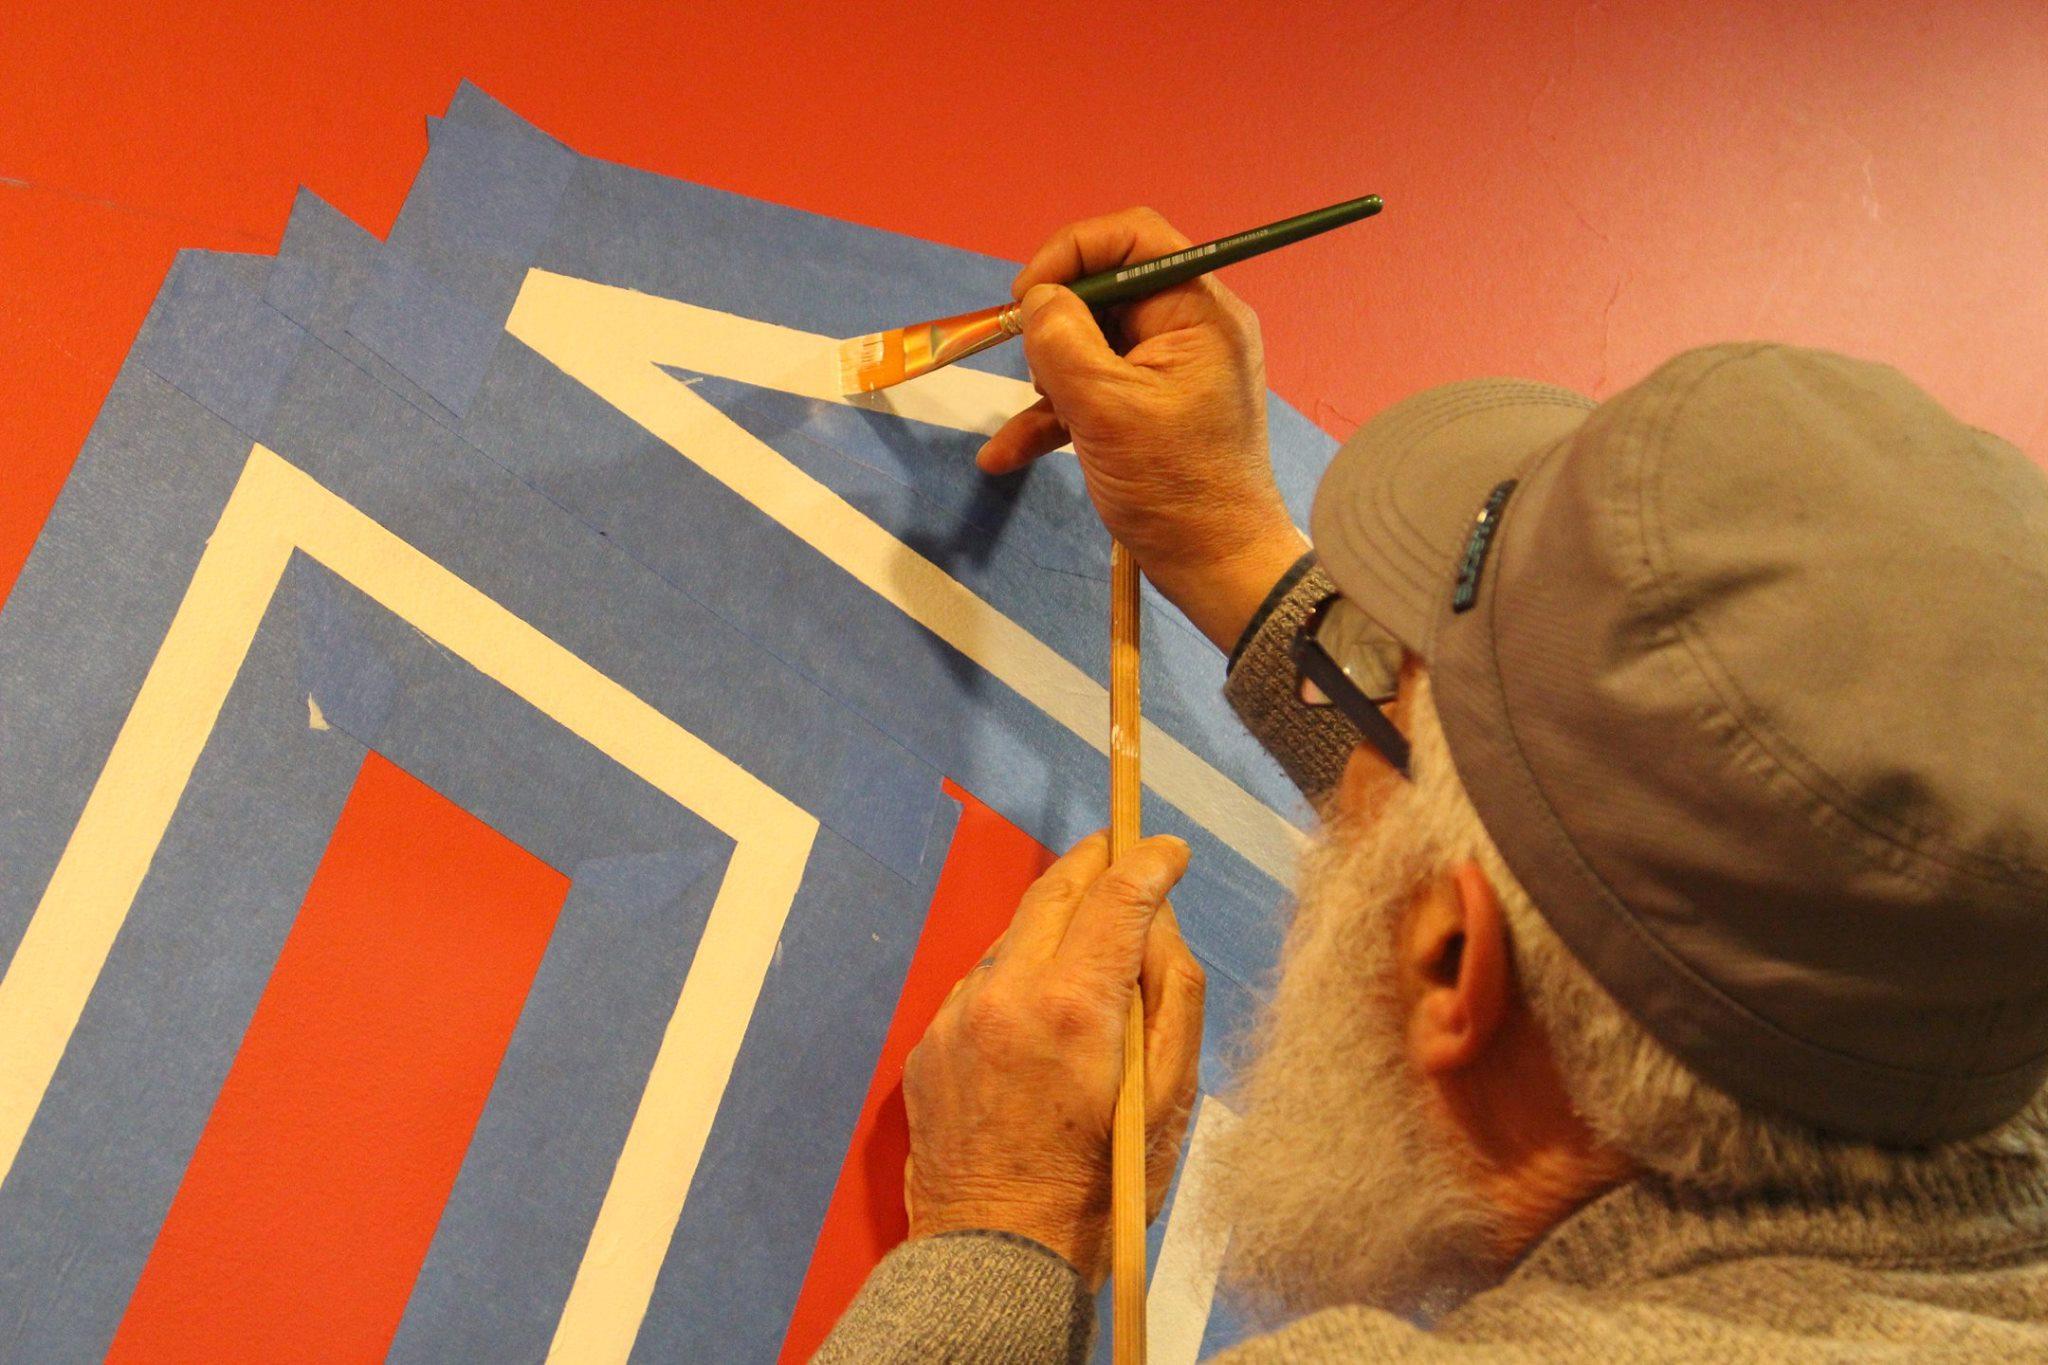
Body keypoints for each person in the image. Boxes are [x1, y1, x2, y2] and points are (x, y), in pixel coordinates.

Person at [817, 209, 2048, 1361]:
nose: (1377, 726)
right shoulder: (1972, 961)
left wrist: (999, 1232)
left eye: (1388, 713)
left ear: (1451, 968)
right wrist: (1225, 536)